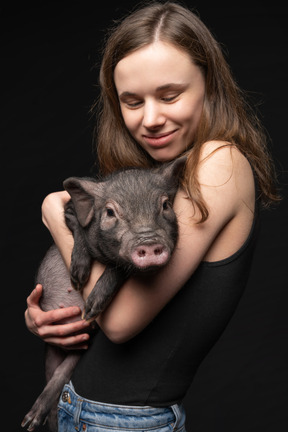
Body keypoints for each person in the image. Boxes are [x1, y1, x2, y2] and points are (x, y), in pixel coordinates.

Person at [25, 2, 279, 431]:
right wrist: (50, 316)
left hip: (121, 421)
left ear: (210, 85)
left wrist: (55, 217)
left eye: (170, 94)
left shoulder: (219, 161)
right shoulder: (157, 179)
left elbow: (121, 322)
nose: (151, 119)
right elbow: (103, 303)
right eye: (132, 101)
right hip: (86, 408)